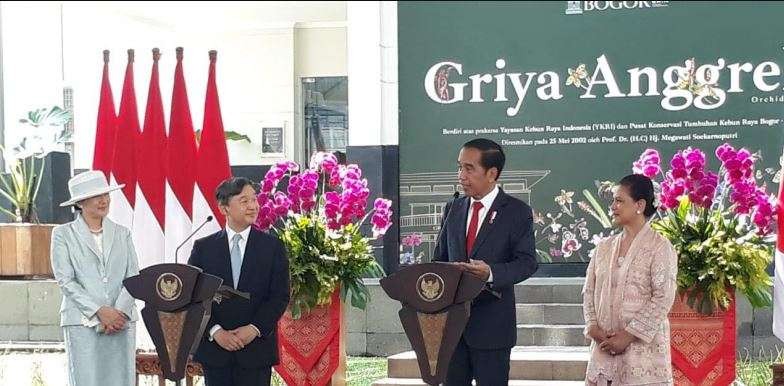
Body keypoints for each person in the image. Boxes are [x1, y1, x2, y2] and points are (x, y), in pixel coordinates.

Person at [433, 138, 539, 385]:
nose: (461, 175)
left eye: (469, 168)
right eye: (459, 167)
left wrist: (490, 273)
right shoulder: (453, 208)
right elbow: (439, 259)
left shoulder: (516, 212)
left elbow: (527, 263)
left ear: (492, 173)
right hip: (452, 329)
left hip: (492, 328)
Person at [188, 177, 290, 386]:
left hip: (256, 350)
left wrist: (254, 328)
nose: (253, 206)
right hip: (216, 351)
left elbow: (280, 296)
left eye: (254, 199)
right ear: (224, 208)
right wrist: (215, 331)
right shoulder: (203, 248)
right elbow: (194, 296)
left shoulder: (272, 247)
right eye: (244, 201)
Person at [582, 174, 678, 385]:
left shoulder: (660, 247)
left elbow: (663, 298)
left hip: (642, 354)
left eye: (620, 201)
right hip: (603, 347)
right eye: (613, 201)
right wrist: (593, 328)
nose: (613, 206)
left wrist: (628, 335)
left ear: (640, 205)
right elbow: (589, 291)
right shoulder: (604, 248)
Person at [51, 170, 139, 386]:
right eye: (96, 196)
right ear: (80, 203)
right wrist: (100, 311)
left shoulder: (122, 233)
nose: (104, 200)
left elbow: (134, 276)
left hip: (121, 322)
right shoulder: (63, 234)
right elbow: (66, 280)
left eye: (106, 194)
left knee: (121, 381)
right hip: (82, 323)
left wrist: (117, 313)